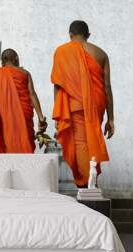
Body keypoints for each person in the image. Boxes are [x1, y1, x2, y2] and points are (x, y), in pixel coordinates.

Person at [52, 20, 114, 187]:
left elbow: (59, 84)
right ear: (88, 35)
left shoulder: (61, 51)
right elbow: (107, 86)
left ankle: (85, 184)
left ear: (70, 35)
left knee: (80, 143)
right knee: (92, 139)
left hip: (74, 105)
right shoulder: (100, 54)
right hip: (96, 105)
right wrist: (111, 119)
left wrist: (58, 114)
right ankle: (91, 181)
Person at [0, 49, 47, 153]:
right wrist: (40, 117)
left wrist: (4, 104)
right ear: (16, 59)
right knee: (25, 141)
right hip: (23, 114)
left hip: (4, 115)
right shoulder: (25, 73)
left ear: (2, 62)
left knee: (7, 145)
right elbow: (32, 94)